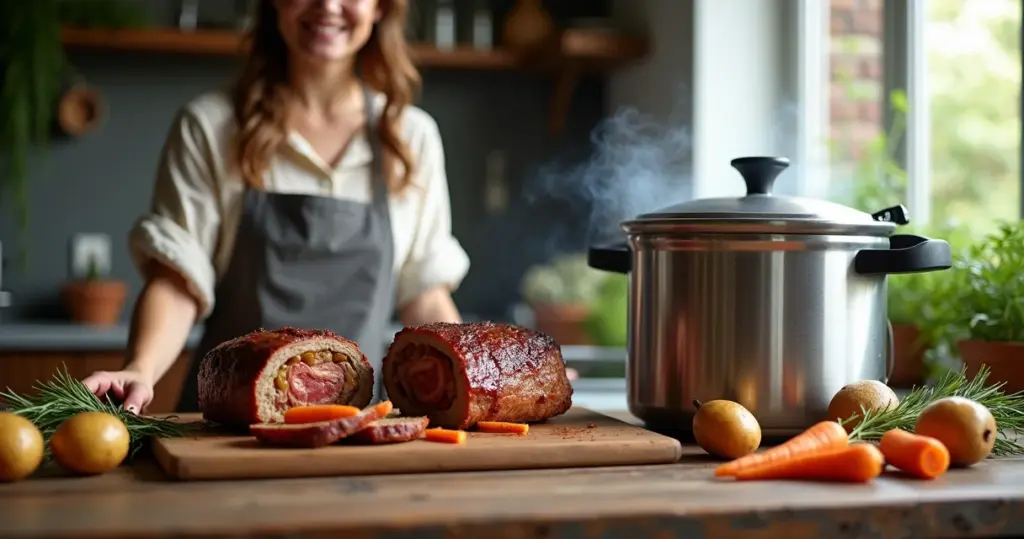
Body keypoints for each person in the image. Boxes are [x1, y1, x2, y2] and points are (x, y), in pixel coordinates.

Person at [82, 0, 470, 414]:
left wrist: (468, 376)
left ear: (381, 8)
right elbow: (178, 281)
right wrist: (140, 367)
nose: (328, 6)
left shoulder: (411, 137)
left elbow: (424, 294)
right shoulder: (211, 126)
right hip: (231, 426)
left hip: (357, 425)